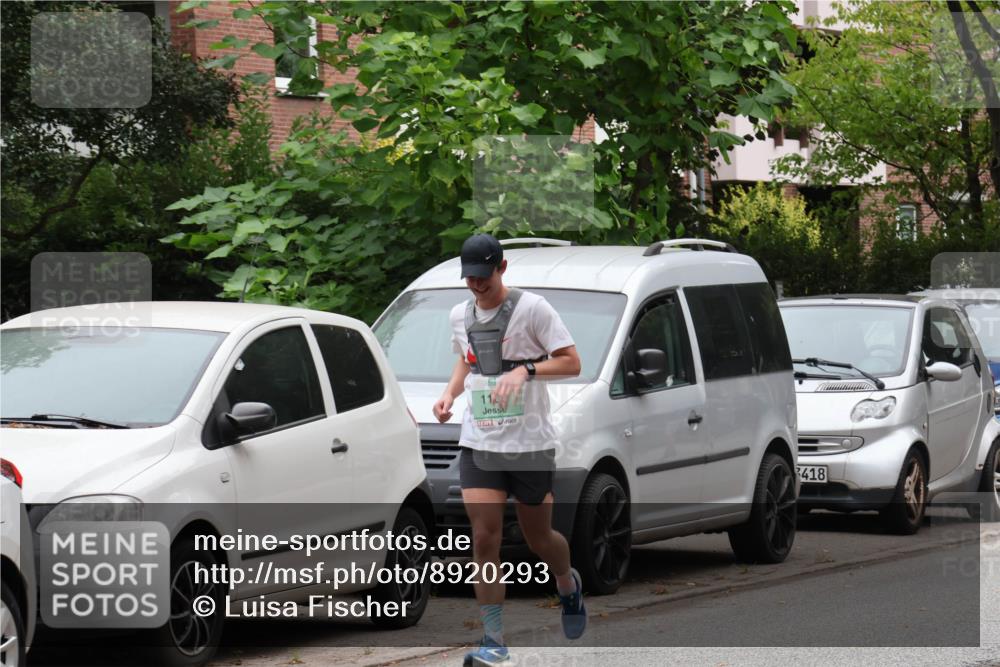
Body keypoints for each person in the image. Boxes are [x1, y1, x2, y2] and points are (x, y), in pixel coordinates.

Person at [432, 233, 586, 666]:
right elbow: (467, 358)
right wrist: (449, 394)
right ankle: (494, 641)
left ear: (501, 268)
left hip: (530, 444)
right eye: (470, 279)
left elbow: (572, 361)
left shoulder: (533, 309)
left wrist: (526, 371)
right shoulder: (458, 315)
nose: (477, 286)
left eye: (484, 277)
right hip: (480, 442)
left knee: (540, 538)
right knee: (484, 539)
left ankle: (566, 583)